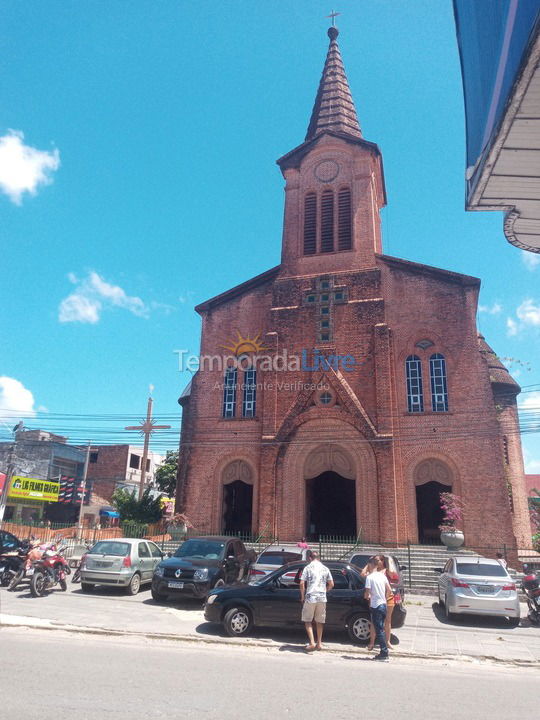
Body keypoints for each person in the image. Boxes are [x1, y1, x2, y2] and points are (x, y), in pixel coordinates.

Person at [299, 550, 334, 652]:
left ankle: (312, 642)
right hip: (322, 597)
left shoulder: (307, 568)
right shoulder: (325, 568)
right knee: (320, 621)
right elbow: (331, 584)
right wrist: (324, 591)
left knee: (307, 620)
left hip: (311, 596)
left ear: (310, 558)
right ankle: (319, 643)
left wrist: (302, 596)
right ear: (319, 558)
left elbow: (301, 583)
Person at [364, 554, 392, 662]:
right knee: (381, 628)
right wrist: (384, 598)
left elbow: (367, 594)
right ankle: (383, 651)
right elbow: (389, 590)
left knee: (379, 630)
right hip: (383, 604)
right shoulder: (382, 576)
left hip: (375, 605)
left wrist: (368, 596)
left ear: (371, 565)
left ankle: (384, 653)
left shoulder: (369, 578)